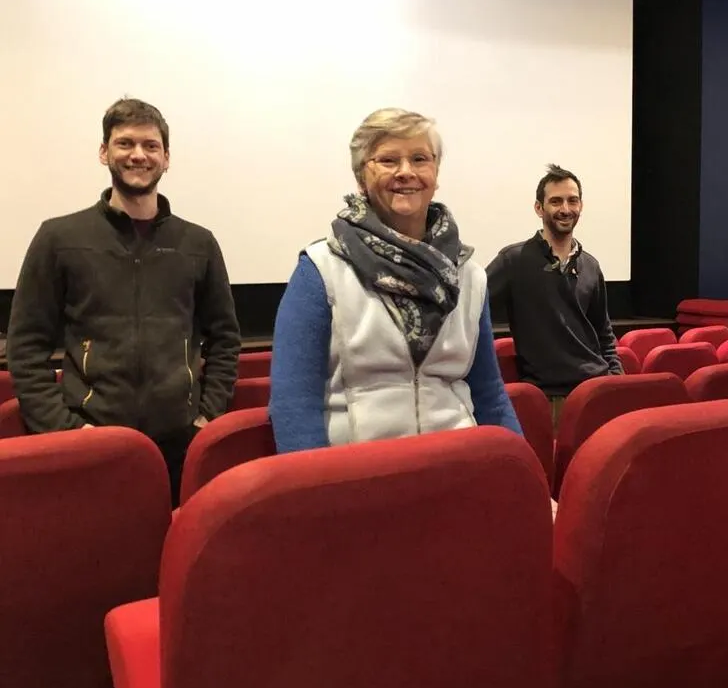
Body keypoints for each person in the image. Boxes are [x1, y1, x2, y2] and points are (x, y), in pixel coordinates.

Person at [6, 98, 241, 505]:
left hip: (180, 446)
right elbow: (26, 346)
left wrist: (206, 417)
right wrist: (65, 429)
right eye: (125, 143)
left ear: (166, 158)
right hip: (89, 443)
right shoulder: (59, 239)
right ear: (104, 152)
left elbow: (225, 338)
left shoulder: (198, 243)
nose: (138, 155)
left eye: (151, 146)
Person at [268, 108, 521, 452]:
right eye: (388, 160)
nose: (406, 172)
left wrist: (524, 470)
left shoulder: (470, 276)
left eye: (419, 158)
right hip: (360, 472)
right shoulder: (321, 268)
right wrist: (317, 483)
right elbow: (294, 404)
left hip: (457, 464)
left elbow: (489, 393)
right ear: (361, 176)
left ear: (435, 173)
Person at [486, 164, 622, 427]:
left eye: (573, 200)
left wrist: (615, 377)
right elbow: (473, 312)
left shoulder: (591, 266)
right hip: (548, 399)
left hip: (597, 390)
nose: (566, 209)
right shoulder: (513, 260)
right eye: (556, 201)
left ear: (581, 205)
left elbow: (603, 333)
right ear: (539, 208)